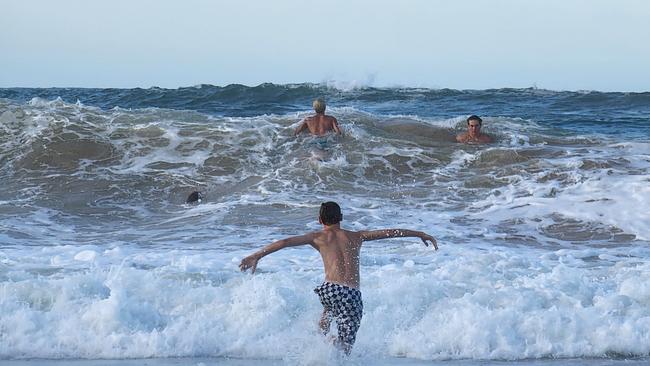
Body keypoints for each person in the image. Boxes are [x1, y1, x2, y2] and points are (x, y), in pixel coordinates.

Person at [239, 202, 437, 355]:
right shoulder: (356, 236)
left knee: (329, 311)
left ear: (319, 220)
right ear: (341, 217)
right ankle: (329, 353)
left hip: (329, 289)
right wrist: (419, 233)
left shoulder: (317, 237)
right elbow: (390, 233)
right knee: (345, 346)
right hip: (350, 293)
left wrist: (256, 255)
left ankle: (318, 349)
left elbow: (285, 242)